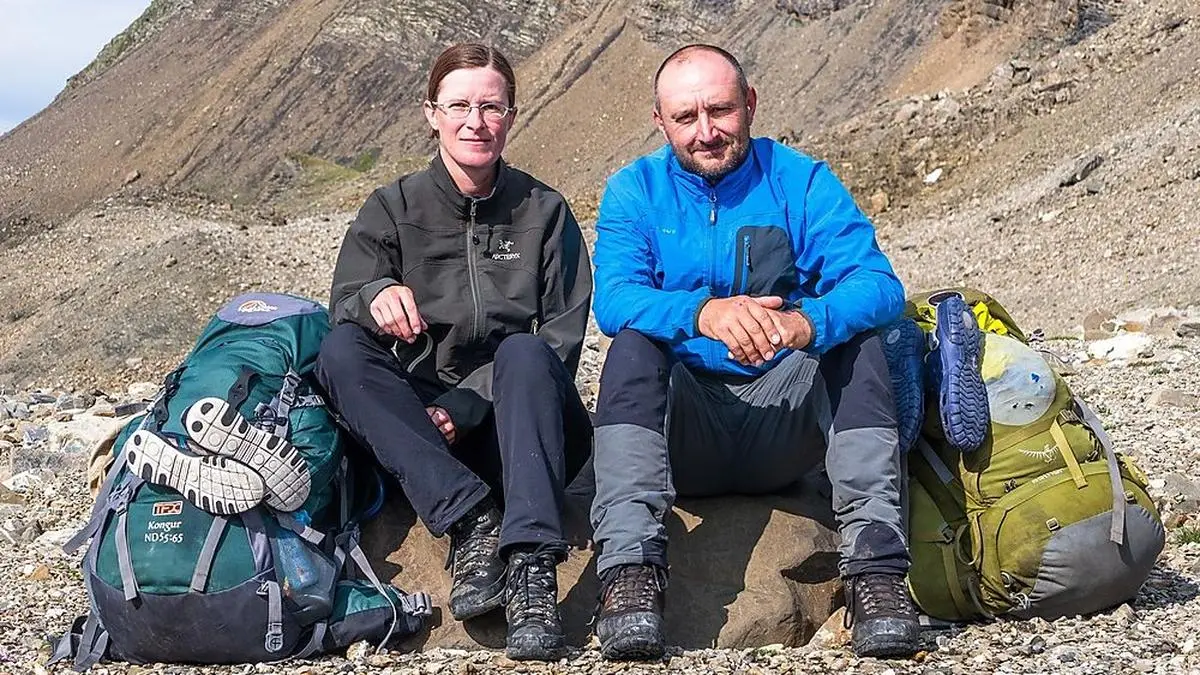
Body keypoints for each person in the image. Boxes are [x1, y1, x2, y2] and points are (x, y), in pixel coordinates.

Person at [587, 44, 940, 660]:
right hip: (684, 427)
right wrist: (703, 312)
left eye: (720, 110)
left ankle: (876, 574)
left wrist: (809, 323)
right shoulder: (634, 191)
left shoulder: (801, 181)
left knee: (854, 339)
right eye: (685, 117)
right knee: (633, 347)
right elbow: (613, 299)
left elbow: (879, 284)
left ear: (749, 104)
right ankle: (630, 575)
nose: (705, 132)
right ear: (660, 121)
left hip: (784, 422)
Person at [315, 43, 593, 662]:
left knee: (524, 352)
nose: (476, 120)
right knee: (338, 350)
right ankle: (470, 519)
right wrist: (377, 294)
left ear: (511, 116)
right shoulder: (392, 207)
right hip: (423, 440)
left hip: (520, 426)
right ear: (431, 113)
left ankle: (530, 571)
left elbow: (563, 337)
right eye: (460, 105)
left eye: (491, 106)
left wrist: (468, 405)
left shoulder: (546, 213)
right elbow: (345, 303)